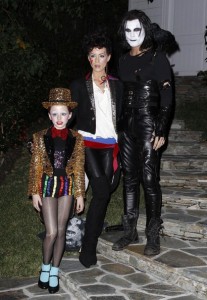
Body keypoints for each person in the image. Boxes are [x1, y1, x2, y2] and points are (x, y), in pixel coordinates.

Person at [112, 10, 178, 256]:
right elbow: (120, 93)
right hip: (127, 125)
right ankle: (130, 230)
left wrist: (162, 128)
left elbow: (167, 96)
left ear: (145, 30)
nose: (132, 35)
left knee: (149, 178)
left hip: (149, 122)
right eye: (127, 30)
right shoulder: (123, 60)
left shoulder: (156, 58)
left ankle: (152, 233)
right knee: (129, 178)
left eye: (136, 30)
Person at [70, 30, 123, 268]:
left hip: (110, 145)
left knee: (104, 192)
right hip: (88, 144)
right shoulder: (79, 86)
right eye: (93, 56)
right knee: (101, 192)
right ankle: (88, 247)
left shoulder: (117, 86)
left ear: (109, 57)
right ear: (88, 59)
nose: (98, 61)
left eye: (102, 55)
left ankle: (86, 240)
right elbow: (66, 117)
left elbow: (124, 117)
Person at [28, 88, 85, 293]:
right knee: (51, 232)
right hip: (47, 185)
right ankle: (45, 266)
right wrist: (35, 192)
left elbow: (78, 167)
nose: (59, 118)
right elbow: (35, 166)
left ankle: (54, 270)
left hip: (67, 186)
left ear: (70, 115)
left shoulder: (77, 138)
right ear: (49, 115)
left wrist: (79, 194)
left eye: (63, 114)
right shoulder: (39, 137)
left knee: (61, 231)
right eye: (54, 114)